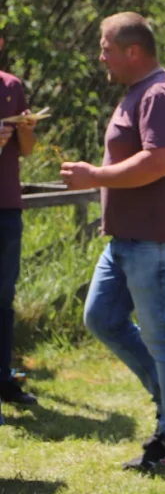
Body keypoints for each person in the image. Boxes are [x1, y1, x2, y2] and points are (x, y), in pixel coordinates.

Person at [60, 12, 165, 469]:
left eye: (105, 47)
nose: (101, 55)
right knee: (102, 317)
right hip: (129, 238)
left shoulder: (160, 93)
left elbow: (159, 161)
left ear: (132, 51)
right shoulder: (138, 92)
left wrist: (93, 177)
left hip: (156, 241)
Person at [0, 35, 39, 424]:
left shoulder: (11, 86)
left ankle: (8, 380)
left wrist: (26, 127)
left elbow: (26, 149)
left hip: (7, 206)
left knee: (3, 299)